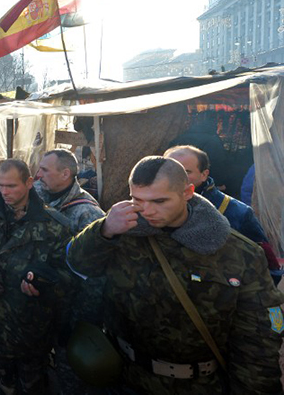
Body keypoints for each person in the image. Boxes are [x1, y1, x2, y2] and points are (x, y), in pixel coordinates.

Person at [66, 156, 284, 394]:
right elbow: (79, 264)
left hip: (199, 386)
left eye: (159, 201)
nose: (146, 211)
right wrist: (104, 230)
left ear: (188, 192)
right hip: (126, 378)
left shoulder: (239, 253)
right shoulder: (122, 233)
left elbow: (258, 341)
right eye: (137, 199)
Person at [0, 159, 76, 394]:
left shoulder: (56, 225)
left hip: (32, 321)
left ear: (29, 183)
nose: (4, 192)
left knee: (32, 375)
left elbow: (69, 275)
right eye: (0, 185)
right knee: (1, 367)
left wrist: (44, 285)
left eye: (11, 186)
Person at [33, 148, 105, 394]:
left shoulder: (88, 214)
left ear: (65, 174)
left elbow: (95, 276)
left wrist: (77, 321)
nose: (38, 174)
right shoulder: (39, 193)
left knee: (68, 372)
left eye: (44, 170)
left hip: (68, 307)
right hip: (39, 297)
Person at [164, 146, 279, 271]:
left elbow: (268, 264)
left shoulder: (237, 212)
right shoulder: (145, 208)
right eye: (168, 170)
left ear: (204, 174)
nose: (174, 177)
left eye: (186, 172)